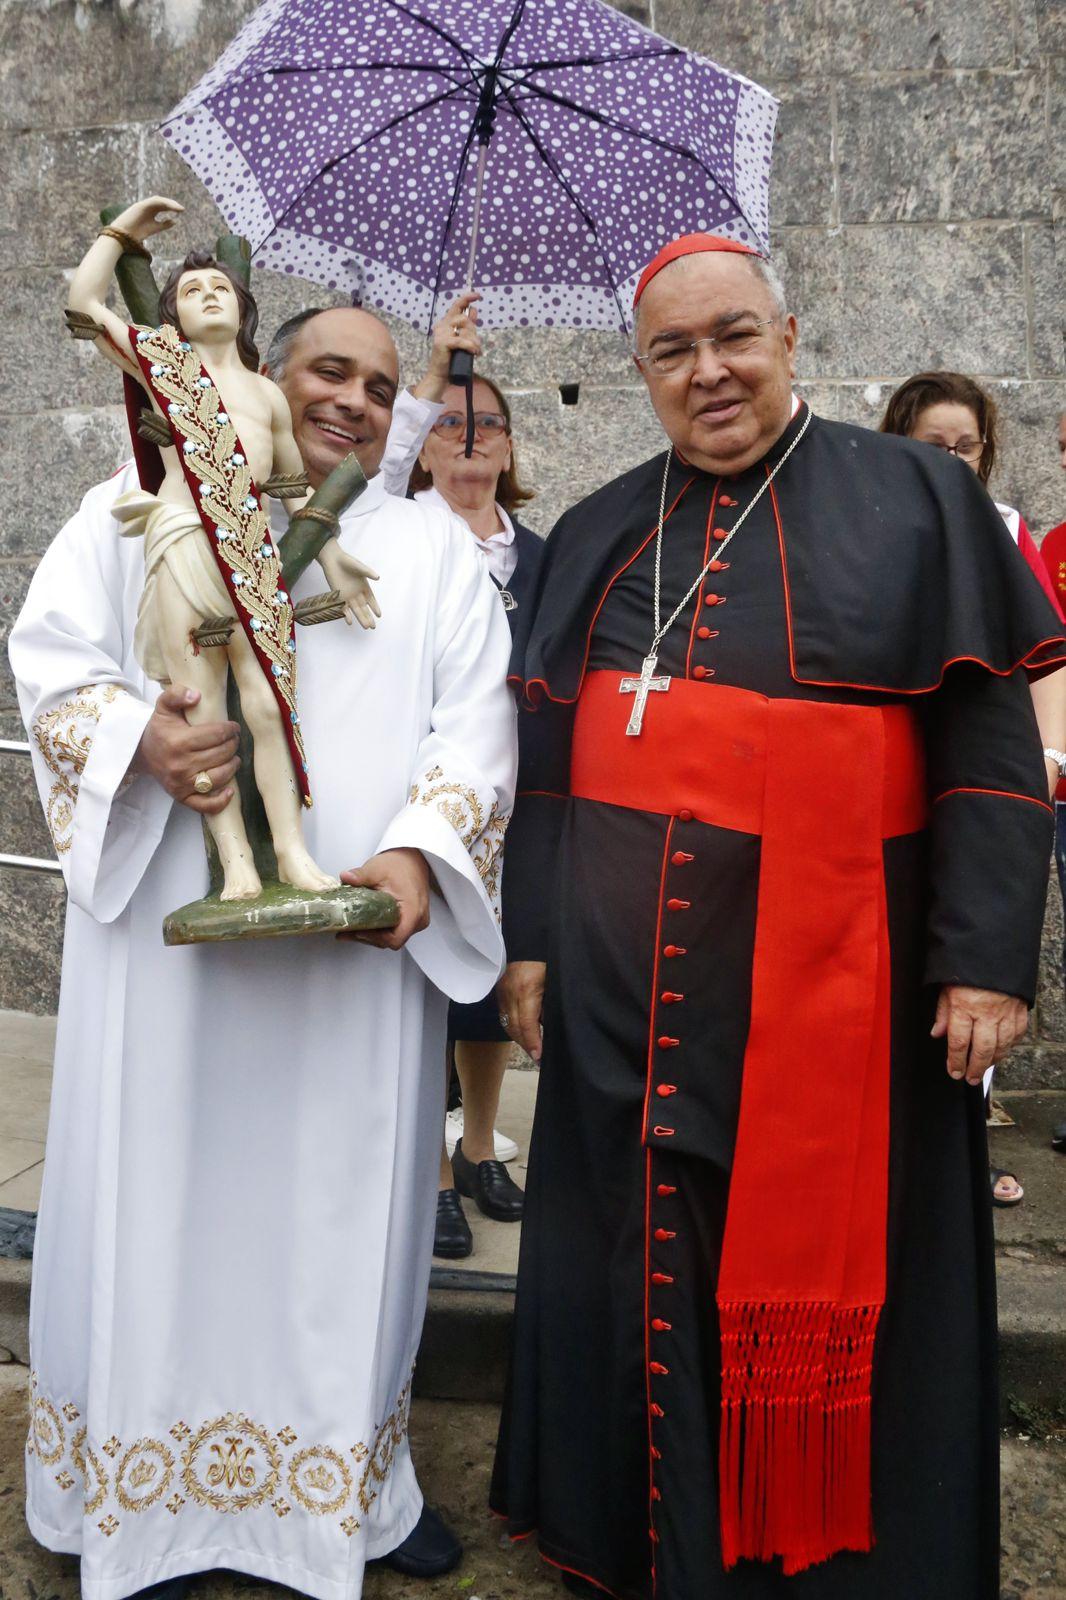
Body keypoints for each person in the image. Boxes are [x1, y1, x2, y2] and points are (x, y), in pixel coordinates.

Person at [490, 233, 1066, 1600]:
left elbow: (986, 748)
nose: (710, 373)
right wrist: (527, 941)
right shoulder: (596, 532)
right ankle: (651, 1549)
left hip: (842, 994)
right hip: (626, 1004)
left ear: (791, 336)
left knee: (845, 1279)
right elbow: (551, 766)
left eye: (733, 336)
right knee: (638, 1264)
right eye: (673, 352)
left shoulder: (917, 499)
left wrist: (985, 963)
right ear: (639, 372)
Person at [12, 238, 516, 1599]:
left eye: (375, 379)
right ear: (262, 372)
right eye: (325, 368)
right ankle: (137, 1490)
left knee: (339, 1229)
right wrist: (141, 744)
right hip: (169, 969)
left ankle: (346, 1490)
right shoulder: (140, 504)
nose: (350, 397)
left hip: (352, 983)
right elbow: (50, 660)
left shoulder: (428, 550)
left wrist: (416, 863)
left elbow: (476, 733)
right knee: (155, 1211)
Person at [880, 371, 1066, 1206]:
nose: (954, 461)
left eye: (967, 446)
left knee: (974, 966)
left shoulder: (1006, 532)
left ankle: (963, 1152)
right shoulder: (870, 526)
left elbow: (1048, 660)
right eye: (934, 447)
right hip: (890, 793)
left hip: (977, 795)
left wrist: (1051, 759)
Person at [408, 372, 543, 1259]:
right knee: (427, 983)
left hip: (519, 801)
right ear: (420, 442)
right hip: (423, 795)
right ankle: (437, 1175)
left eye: (487, 422)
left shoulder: (545, 553)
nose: (469, 438)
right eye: (450, 422)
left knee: (494, 984)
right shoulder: (403, 543)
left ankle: (481, 1145)